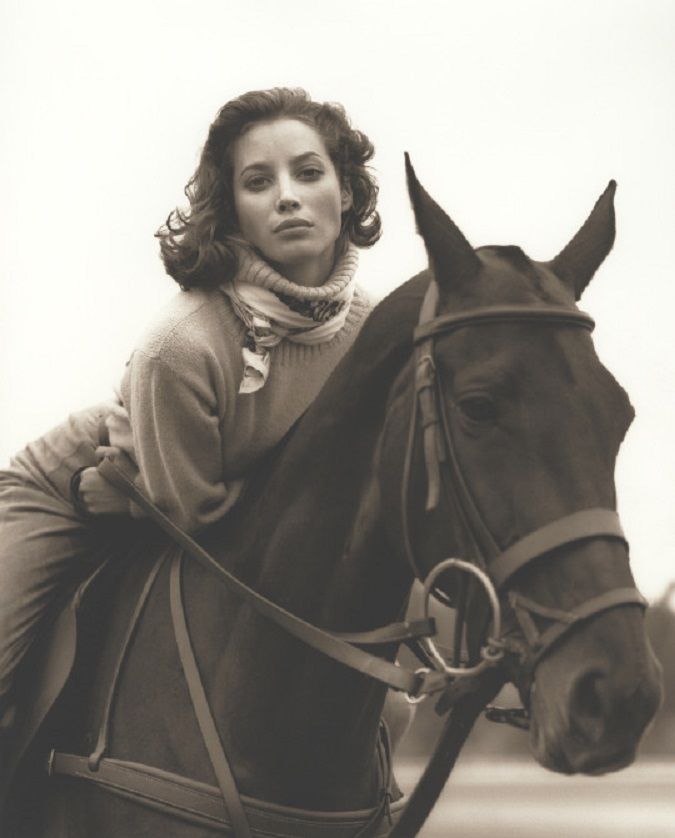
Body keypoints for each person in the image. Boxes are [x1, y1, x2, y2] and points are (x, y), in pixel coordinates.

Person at [0, 87, 382, 736]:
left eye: (308, 172)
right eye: (257, 182)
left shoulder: (371, 331)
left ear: (345, 193)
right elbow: (191, 515)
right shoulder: (182, 342)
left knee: (382, 705)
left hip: (212, 503)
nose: (286, 195)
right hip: (82, 492)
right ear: (234, 210)